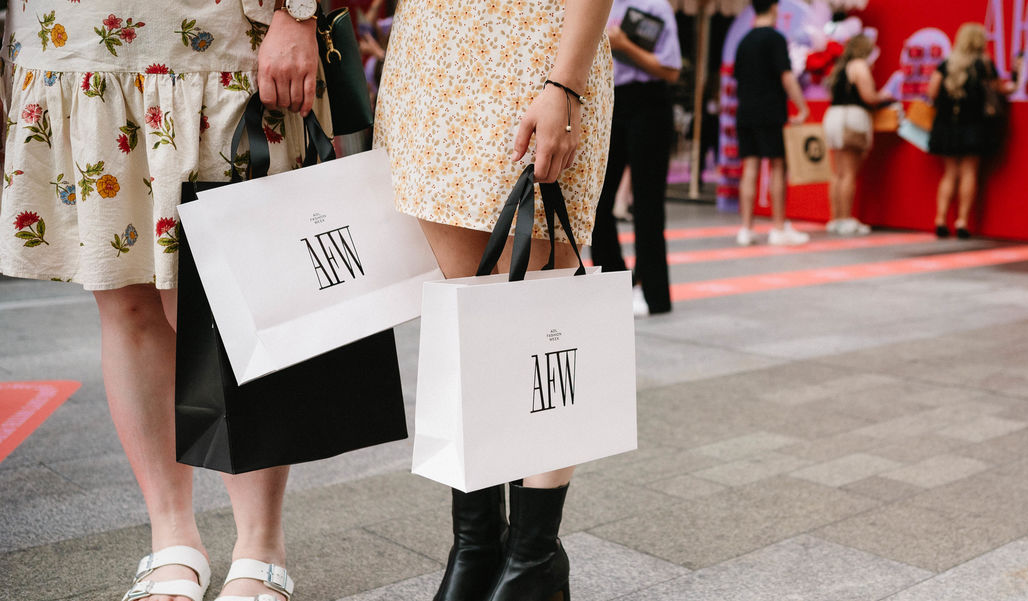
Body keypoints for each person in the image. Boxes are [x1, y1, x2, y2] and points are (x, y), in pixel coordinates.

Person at [0, 2, 329, 600]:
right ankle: (171, 538)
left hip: (214, 39)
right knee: (123, 302)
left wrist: (298, 12)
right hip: (73, 46)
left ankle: (260, 544)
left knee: (230, 309)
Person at [374, 1, 612, 600]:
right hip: (434, 59)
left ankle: (532, 559)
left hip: (541, 53)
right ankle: (478, 547)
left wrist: (566, 82)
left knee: (541, 333)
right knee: (464, 327)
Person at [591, 0, 682, 317]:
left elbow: (670, 70)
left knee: (647, 204)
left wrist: (624, 45)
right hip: (606, 102)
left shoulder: (656, 6)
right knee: (596, 199)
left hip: (649, 102)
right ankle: (611, 281)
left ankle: (654, 293)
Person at [734, 0, 811, 247]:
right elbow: (786, 76)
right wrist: (802, 106)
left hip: (745, 111)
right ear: (775, 8)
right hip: (770, 111)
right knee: (778, 165)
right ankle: (778, 227)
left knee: (750, 167)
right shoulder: (775, 39)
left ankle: (746, 228)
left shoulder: (743, 41)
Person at [927, 22, 1006, 239]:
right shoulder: (984, 65)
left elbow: (932, 92)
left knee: (950, 172)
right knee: (970, 171)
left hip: (946, 124)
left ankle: (940, 218)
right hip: (974, 124)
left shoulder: (946, 64)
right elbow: (1000, 89)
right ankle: (962, 220)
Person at [822, 33, 892, 236]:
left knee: (837, 173)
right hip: (852, 118)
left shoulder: (839, 67)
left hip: (833, 117)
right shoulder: (860, 65)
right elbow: (868, 96)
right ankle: (846, 220)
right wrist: (884, 96)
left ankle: (836, 219)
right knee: (849, 173)